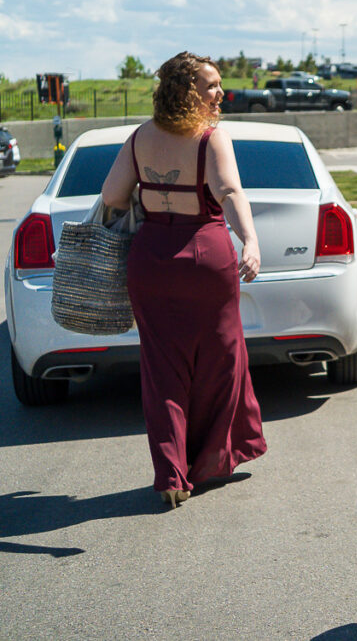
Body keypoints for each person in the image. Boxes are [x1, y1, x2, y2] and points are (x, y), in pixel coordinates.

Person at [101, 52, 266, 509]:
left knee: (162, 371)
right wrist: (249, 240)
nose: (220, 94)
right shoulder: (211, 138)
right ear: (186, 90)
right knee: (222, 362)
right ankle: (210, 460)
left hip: (151, 260)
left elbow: (113, 196)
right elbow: (229, 191)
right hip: (205, 258)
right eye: (210, 86)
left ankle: (171, 475)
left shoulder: (139, 138)